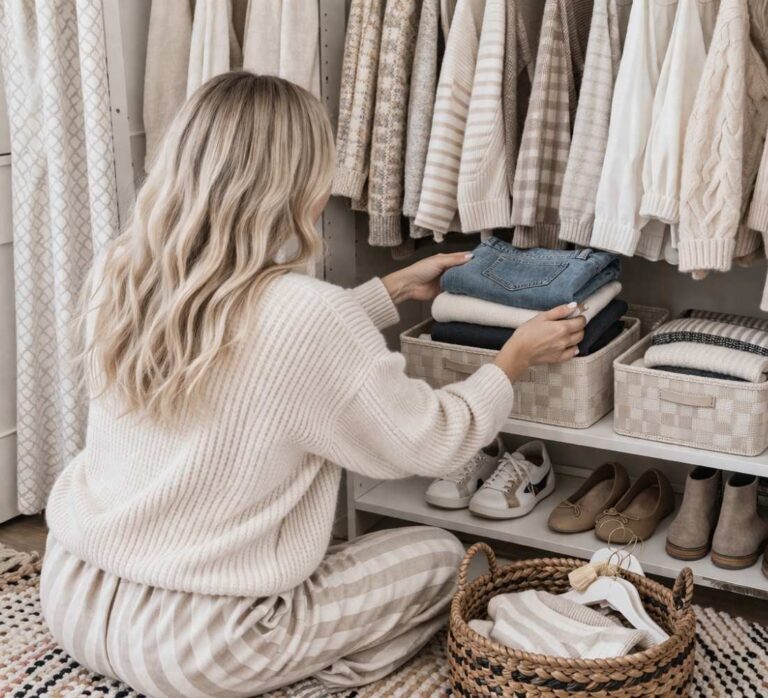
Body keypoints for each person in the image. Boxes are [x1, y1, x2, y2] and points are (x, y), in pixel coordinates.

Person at [40, 72, 585, 697]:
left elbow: (252, 350)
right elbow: (432, 443)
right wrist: (513, 360)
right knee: (440, 557)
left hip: (75, 596)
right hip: (199, 649)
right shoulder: (309, 313)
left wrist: (390, 290)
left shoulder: (125, 272)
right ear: (297, 180)